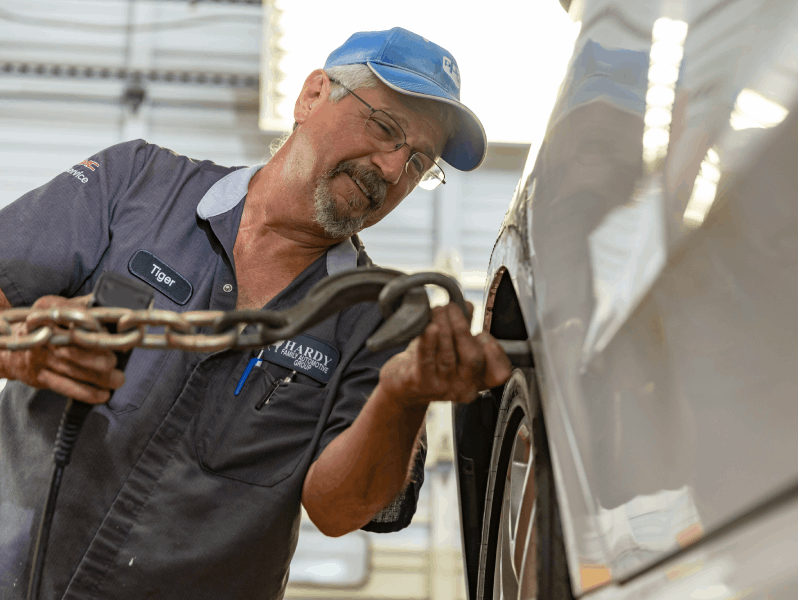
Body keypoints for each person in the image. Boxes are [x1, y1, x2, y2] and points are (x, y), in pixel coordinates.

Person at [0, 27, 511, 599]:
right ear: (313, 96)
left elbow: (338, 509)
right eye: (386, 128)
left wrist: (404, 396)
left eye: (420, 163)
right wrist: (20, 343)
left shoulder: (379, 317)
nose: (393, 171)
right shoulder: (135, 185)